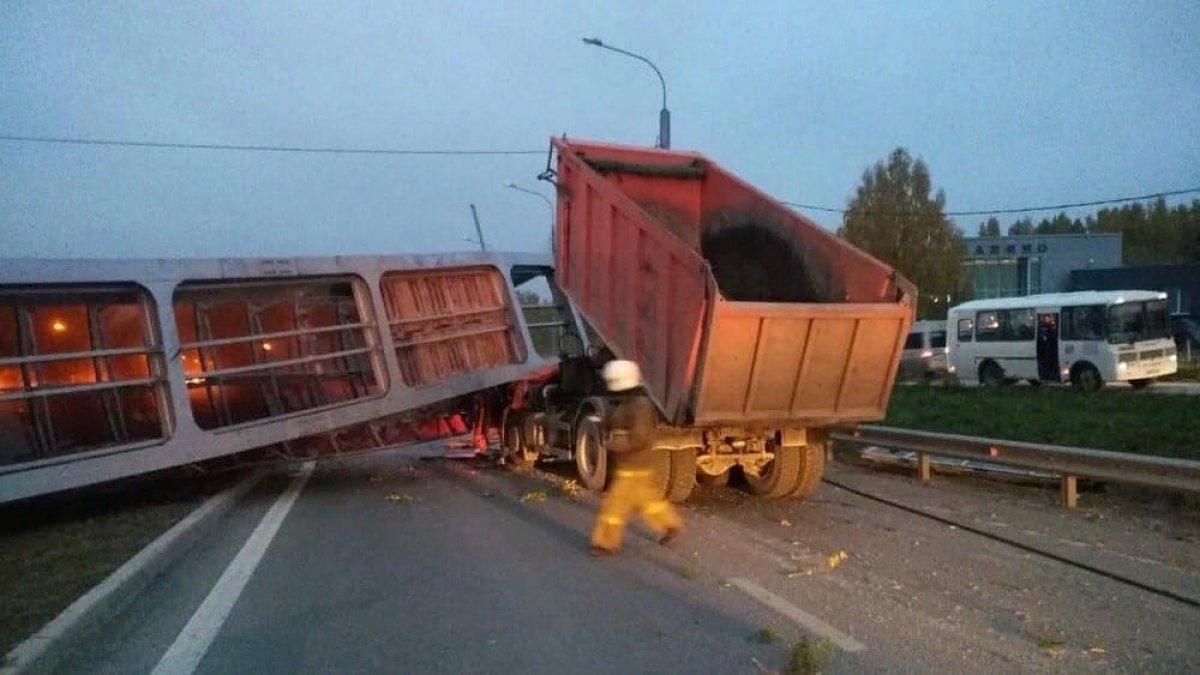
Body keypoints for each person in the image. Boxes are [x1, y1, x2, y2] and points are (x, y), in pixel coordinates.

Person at [589, 360, 682, 556]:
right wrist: (603, 422)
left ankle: (605, 543)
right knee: (646, 500)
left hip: (633, 464)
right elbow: (619, 423)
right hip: (634, 464)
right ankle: (671, 525)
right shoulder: (630, 402)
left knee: (614, 506)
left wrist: (614, 445)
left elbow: (639, 437)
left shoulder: (640, 406)